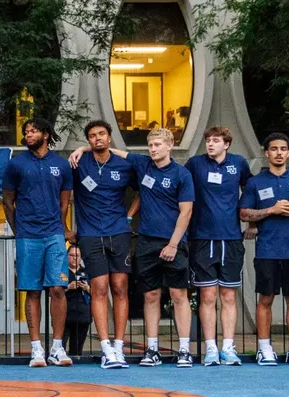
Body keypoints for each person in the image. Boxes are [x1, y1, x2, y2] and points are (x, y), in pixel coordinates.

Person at [71, 127, 194, 367]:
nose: (153, 149)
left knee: (178, 295)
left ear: (170, 145)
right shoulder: (142, 164)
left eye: (158, 145)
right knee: (151, 295)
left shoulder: (182, 173)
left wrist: (173, 244)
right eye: (151, 145)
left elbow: (186, 212)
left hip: (173, 242)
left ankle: (184, 350)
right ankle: (152, 349)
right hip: (146, 240)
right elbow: (111, 150)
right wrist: (83, 148)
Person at [1, 117, 75, 367]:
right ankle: (36, 349)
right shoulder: (16, 164)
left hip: (54, 234)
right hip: (28, 235)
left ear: (46, 134)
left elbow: (65, 202)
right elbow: (7, 201)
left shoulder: (61, 164)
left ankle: (57, 347)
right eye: (26, 131)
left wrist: (63, 228)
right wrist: (18, 230)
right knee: (32, 290)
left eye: (33, 131)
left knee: (58, 288)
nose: (28, 135)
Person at [239, 132, 289, 366]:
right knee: (266, 299)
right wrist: (271, 210)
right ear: (266, 153)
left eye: (283, 149)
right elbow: (244, 213)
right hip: (267, 250)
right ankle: (264, 348)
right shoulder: (255, 182)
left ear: (288, 153)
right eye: (274, 149)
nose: (279, 153)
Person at [70, 119, 135, 369]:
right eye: (92, 136)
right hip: (90, 234)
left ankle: (119, 346)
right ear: (88, 140)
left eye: (102, 134)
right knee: (99, 287)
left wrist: (129, 216)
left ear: (109, 137)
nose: (97, 138)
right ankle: (106, 348)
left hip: (119, 232)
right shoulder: (79, 163)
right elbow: (64, 192)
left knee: (120, 287)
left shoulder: (124, 165)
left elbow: (142, 190)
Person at [184, 125, 251, 365]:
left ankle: (228, 347)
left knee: (229, 295)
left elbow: (250, 190)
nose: (211, 144)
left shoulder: (239, 163)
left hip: (231, 237)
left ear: (227, 144)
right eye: (208, 140)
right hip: (202, 237)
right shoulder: (195, 164)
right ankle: (211, 347)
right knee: (208, 294)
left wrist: (252, 223)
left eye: (216, 140)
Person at [63, 244, 93, 357]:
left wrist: (87, 288)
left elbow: (99, 294)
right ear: (67, 256)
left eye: (77, 255)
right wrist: (68, 287)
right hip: (65, 315)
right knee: (59, 347)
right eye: (71, 255)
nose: (75, 258)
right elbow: (53, 294)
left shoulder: (87, 272)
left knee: (76, 352)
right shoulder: (62, 272)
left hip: (83, 316)